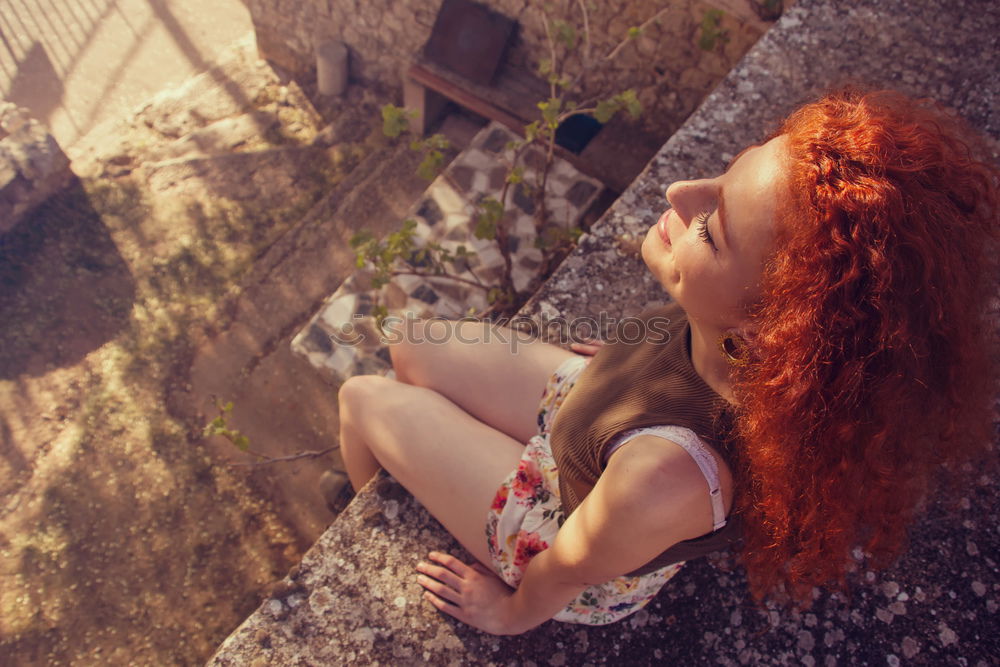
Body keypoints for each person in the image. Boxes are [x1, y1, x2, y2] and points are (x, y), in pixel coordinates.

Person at [336, 88, 999, 635]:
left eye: (712, 226)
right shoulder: (745, 350)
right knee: (407, 341)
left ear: (772, 333)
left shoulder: (665, 475)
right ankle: (403, 464)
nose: (684, 191)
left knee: (363, 397)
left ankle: (370, 501)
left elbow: (568, 564)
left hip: (557, 519)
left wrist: (508, 613)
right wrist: (629, 367)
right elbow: (676, 364)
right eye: (723, 174)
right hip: (594, 415)